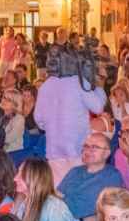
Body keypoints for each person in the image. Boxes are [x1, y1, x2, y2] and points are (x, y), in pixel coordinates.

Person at [34, 53, 107, 184]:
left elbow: (39, 120)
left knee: (58, 193)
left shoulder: (46, 85)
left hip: (54, 150)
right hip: (77, 149)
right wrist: (100, 86)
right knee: (75, 192)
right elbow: (98, 107)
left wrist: (54, 125)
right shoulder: (78, 82)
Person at [56, 132, 124, 221]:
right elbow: (57, 195)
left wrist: (87, 220)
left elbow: (112, 210)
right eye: (86, 146)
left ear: (106, 154)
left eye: (95, 147)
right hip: (59, 216)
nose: (89, 150)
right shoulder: (75, 171)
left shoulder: (112, 176)